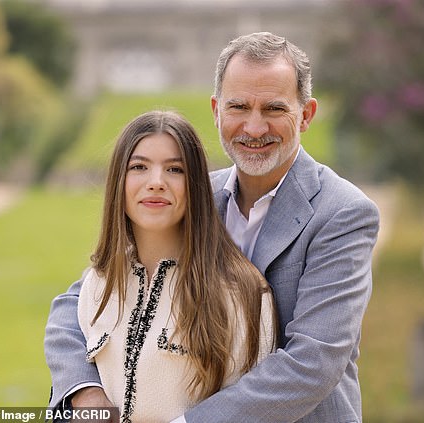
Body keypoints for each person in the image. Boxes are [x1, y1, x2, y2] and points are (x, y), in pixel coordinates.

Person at [45, 32, 380, 422]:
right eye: (238, 107)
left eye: (273, 109)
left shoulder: (343, 214)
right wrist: (84, 394)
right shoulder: (196, 193)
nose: (254, 128)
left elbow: (311, 364)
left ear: (305, 115)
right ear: (216, 110)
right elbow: (80, 299)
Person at [58, 110, 276, 422]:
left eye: (175, 169)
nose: (156, 182)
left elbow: (253, 412)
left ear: (196, 186)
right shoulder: (98, 283)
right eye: (139, 167)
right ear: (119, 181)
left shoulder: (242, 293)